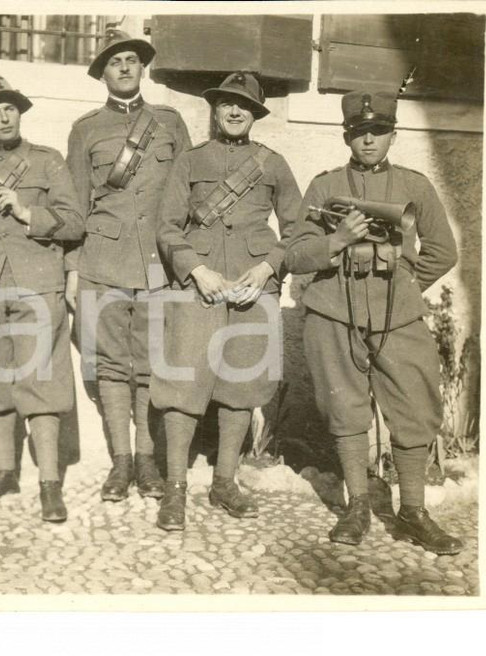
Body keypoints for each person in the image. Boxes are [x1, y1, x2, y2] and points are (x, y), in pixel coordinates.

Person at [284, 89, 463, 554]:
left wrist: (403, 285)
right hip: (334, 312)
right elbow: (297, 255)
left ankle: (413, 512)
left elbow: (443, 251)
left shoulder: (415, 186)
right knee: (344, 410)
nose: (368, 141)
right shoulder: (324, 186)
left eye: (378, 132)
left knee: (414, 406)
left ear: (392, 136)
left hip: (396, 316)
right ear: (347, 136)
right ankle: (357, 505)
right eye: (360, 133)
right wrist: (338, 240)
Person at [153, 72, 302, 531]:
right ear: (215, 111)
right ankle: (175, 491)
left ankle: (224, 482)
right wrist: (196, 269)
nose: (235, 112)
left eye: (244, 106)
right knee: (183, 388)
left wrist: (269, 267)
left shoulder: (272, 164)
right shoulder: (191, 161)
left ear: (255, 114)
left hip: (252, 291)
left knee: (242, 387)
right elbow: (167, 227)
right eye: (227, 105)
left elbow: (297, 229)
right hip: (198, 286)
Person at [0, 74, 84, 522]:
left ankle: (49, 485)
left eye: (9, 107)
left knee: (41, 380)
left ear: (19, 112)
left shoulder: (47, 161)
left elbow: (74, 223)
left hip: (36, 280)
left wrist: (26, 211)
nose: (3, 116)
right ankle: (6, 471)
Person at [65, 28, 191, 503]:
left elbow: (187, 197)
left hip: (159, 265)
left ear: (142, 68)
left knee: (153, 365)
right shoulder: (86, 130)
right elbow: (76, 208)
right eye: (114, 61)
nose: (124, 67)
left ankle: (147, 460)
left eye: (131, 60)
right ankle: (120, 461)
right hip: (103, 262)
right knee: (111, 366)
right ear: (102, 74)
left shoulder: (170, 123)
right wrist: (73, 272)